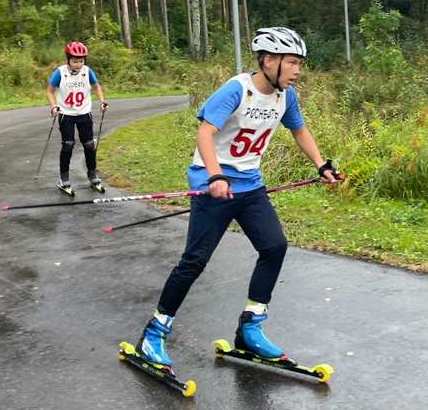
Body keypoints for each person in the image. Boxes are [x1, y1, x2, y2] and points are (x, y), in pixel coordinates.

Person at [131, 27, 341, 369]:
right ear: (268, 61)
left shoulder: (285, 96)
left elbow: (299, 130)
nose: (297, 70)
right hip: (213, 185)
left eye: (299, 63)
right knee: (195, 261)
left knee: (274, 247)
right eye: (291, 62)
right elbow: (205, 132)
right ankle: (154, 333)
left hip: (250, 186)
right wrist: (215, 175)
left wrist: (322, 165)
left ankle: (250, 331)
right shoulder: (236, 90)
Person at [46, 41, 108, 194]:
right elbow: (49, 91)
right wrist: (54, 106)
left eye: (81, 61)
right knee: (68, 144)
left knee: (89, 144)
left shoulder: (87, 71)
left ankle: (92, 173)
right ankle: (64, 177)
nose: (78, 64)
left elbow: (96, 86)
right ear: (68, 60)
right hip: (66, 114)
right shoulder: (59, 72)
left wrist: (101, 101)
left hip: (84, 113)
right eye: (75, 61)